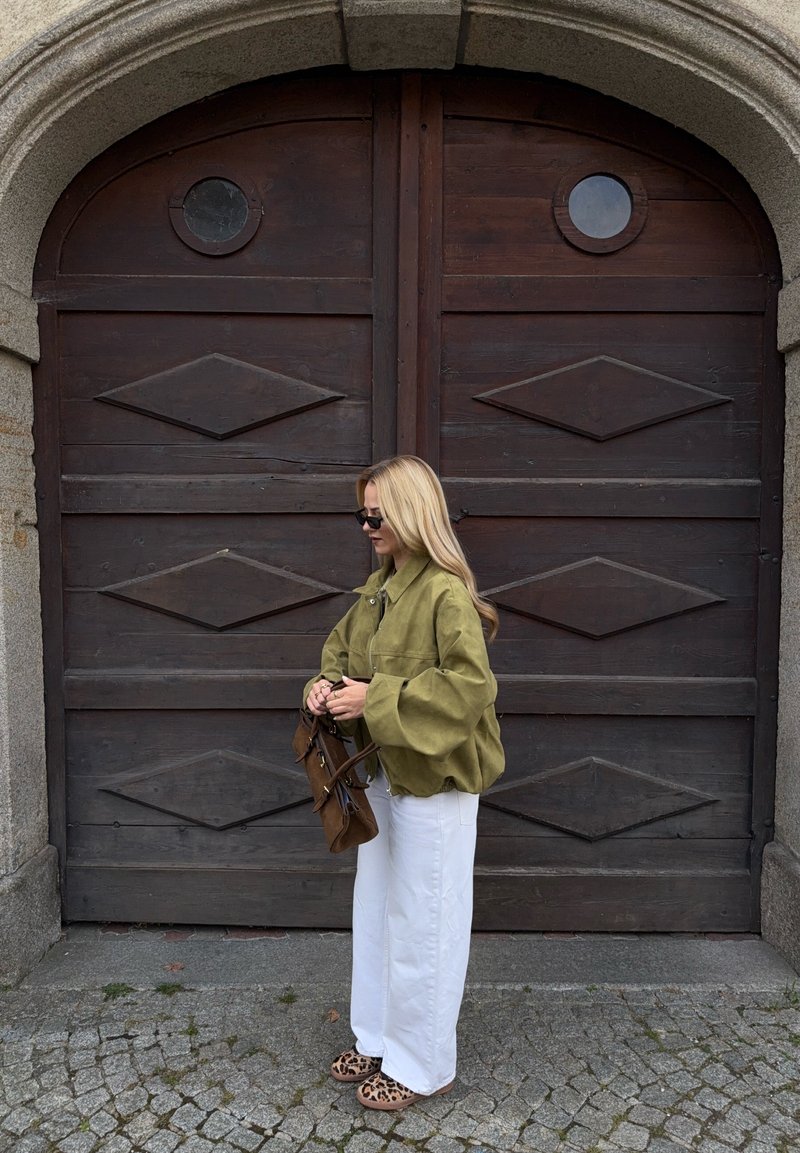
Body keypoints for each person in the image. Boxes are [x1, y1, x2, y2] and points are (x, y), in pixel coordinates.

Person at [303, 455, 504, 1111]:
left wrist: (375, 698)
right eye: (361, 511)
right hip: (386, 777)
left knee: (427, 921)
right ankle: (381, 1034)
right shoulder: (377, 588)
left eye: (377, 513)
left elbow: (471, 689)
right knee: (379, 912)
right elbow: (338, 651)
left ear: (412, 513)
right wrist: (323, 685)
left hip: (438, 783)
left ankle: (425, 1064)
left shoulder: (445, 593)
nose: (366, 524)